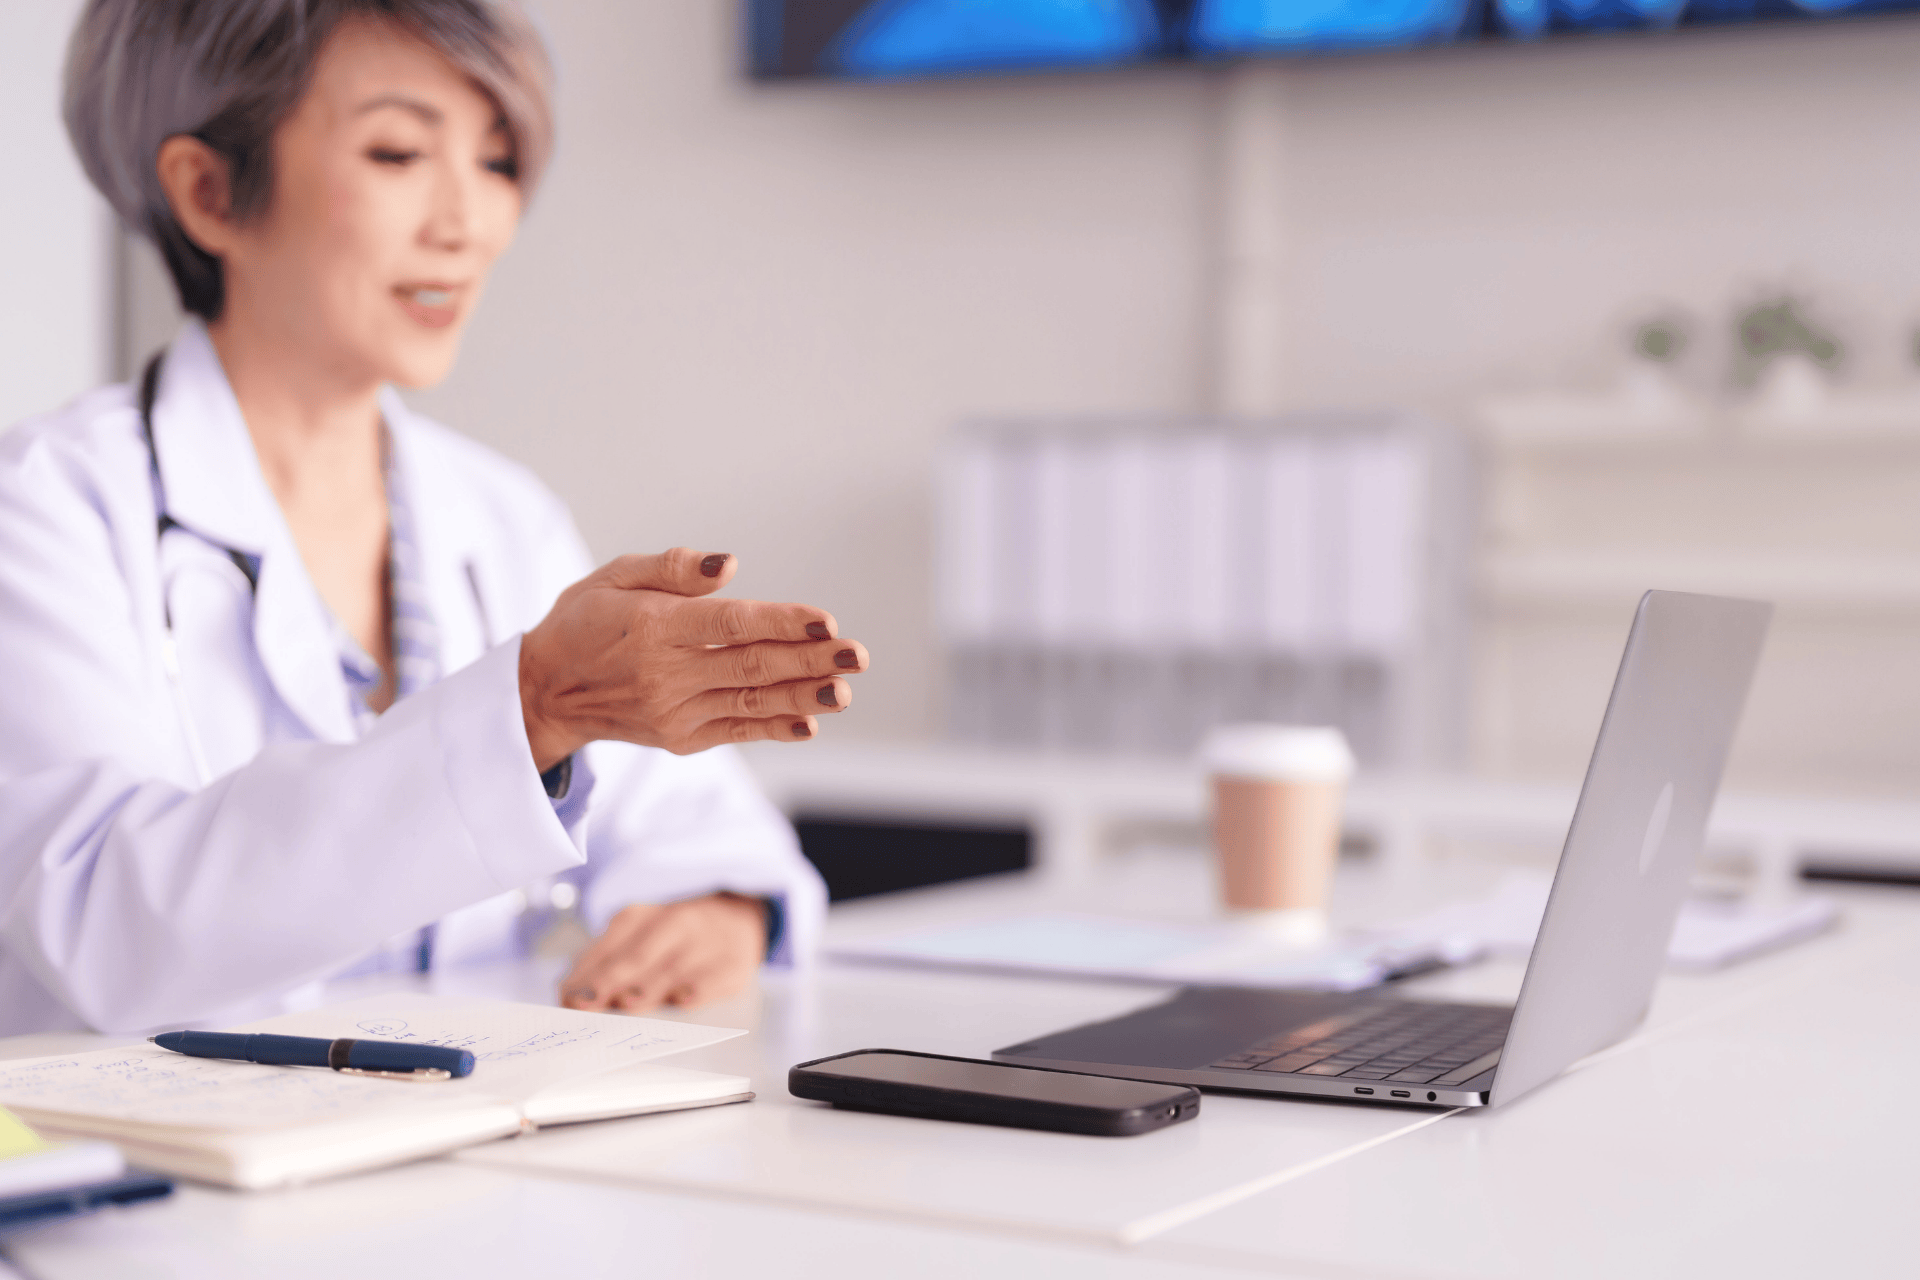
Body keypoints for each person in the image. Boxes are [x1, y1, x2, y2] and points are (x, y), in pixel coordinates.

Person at [0, 0, 863, 1036]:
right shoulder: (48, 504)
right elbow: (109, 920)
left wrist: (719, 900)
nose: (469, 222)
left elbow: (696, 824)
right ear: (210, 190)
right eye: (400, 152)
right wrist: (530, 708)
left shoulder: (497, 514)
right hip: (150, 1180)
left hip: (462, 1165)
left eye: (497, 162)